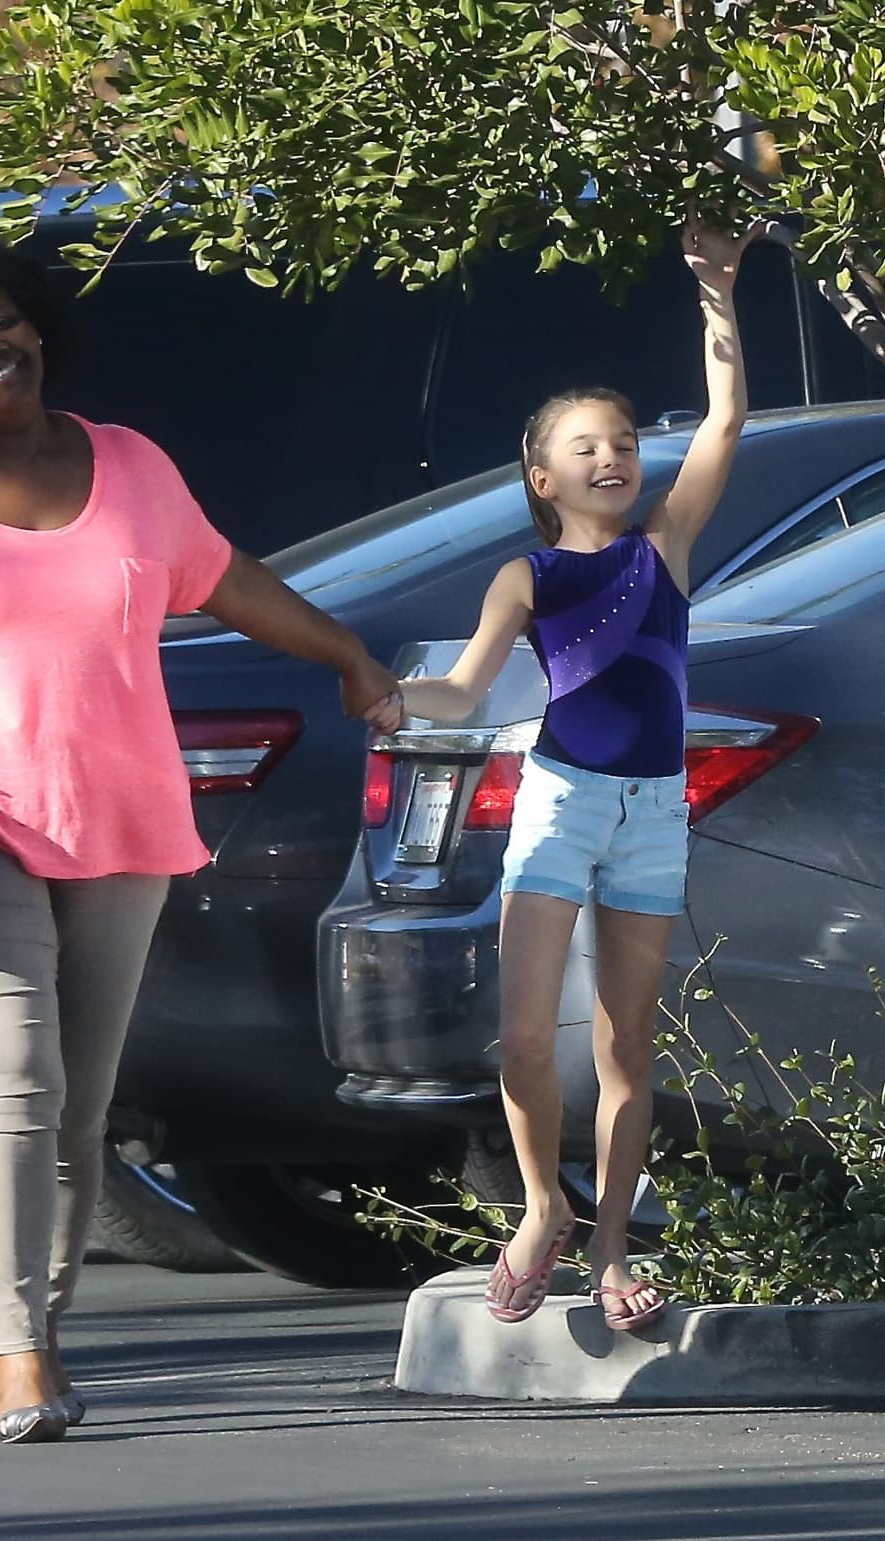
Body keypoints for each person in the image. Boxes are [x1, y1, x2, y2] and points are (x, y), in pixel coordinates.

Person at [0, 238, 401, 1444]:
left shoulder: (127, 465)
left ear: (37, 328)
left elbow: (221, 576)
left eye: (1, 320)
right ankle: (17, 1351)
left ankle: (47, 1315)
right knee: (10, 1084)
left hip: (120, 816)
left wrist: (344, 652)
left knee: (78, 1111)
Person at [390, 213, 759, 1330]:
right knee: (518, 1036)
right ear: (540, 474)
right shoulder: (528, 576)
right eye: (586, 446)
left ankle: (607, 1250)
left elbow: (727, 419)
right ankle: (541, 1206)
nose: (613, 456)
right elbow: (462, 691)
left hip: (652, 811)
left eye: (623, 442)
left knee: (623, 1046)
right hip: (559, 803)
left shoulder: (663, 551)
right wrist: (388, 696)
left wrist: (714, 291)